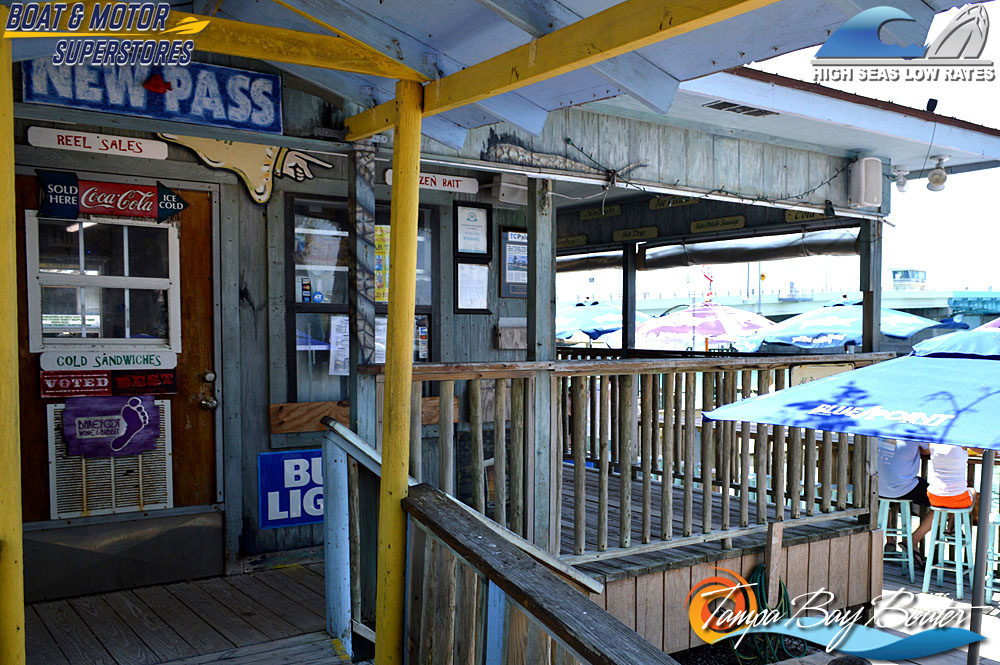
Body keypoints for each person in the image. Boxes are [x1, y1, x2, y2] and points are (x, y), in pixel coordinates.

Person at [878, 438, 933, 559]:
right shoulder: (914, 433)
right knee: (941, 503)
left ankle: (890, 540)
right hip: (903, 489)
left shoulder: (881, 431)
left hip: (878, 488)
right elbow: (928, 450)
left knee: (885, 502)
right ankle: (913, 539)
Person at [927, 443, 979, 522]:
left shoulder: (932, 441)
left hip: (933, 496)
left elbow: (925, 451)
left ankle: (952, 527)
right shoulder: (962, 442)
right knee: (972, 491)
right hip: (956, 497)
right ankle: (954, 527)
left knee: (953, 497)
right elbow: (985, 451)